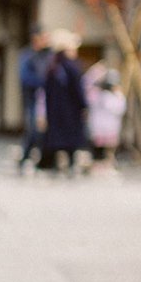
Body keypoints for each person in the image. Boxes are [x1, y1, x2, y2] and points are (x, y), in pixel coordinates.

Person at [40, 33, 89, 176]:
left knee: (56, 138)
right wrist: (83, 106)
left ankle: (55, 165)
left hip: (55, 111)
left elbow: (46, 92)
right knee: (71, 140)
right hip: (71, 111)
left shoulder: (52, 67)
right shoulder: (72, 67)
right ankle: (71, 165)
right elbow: (78, 90)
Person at [14, 29, 48, 173]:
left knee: (42, 130)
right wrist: (43, 82)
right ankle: (26, 157)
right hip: (32, 98)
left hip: (44, 99)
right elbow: (25, 77)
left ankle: (41, 159)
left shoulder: (45, 55)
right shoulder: (28, 56)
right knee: (34, 129)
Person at [84, 62, 127, 171]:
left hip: (105, 126)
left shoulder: (106, 96)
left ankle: (105, 163)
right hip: (102, 126)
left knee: (105, 147)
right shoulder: (100, 95)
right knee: (100, 147)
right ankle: (99, 164)